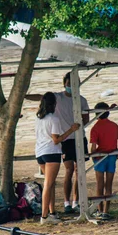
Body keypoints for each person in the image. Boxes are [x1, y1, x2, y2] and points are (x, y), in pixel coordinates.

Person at [26, 72, 89, 214]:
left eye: (75, 84)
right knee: (68, 171)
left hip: (78, 138)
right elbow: (42, 97)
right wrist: (23, 95)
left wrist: (78, 128)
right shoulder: (58, 99)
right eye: (69, 84)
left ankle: (75, 202)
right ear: (64, 84)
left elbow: (86, 118)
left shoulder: (82, 100)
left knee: (79, 171)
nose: (72, 87)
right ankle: (64, 203)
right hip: (63, 141)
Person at [35, 92, 80, 225]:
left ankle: (52, 212)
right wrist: (71, 130)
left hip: (40, 152)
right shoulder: (54, 119)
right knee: (48, 184)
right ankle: (44, 216)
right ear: (53, 104)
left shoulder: (38, 118)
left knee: (51, 183)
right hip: (51, 152)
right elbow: (56, 140)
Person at [90, 102, 118, 220]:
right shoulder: (114, 125)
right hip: (111, 157)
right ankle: (106, 211)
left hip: (100, 158)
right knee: (109, 185)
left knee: (99, 185)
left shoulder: (95, 128)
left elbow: (93, 148)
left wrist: (93, 156)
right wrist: (116, 154)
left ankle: (99, 210)